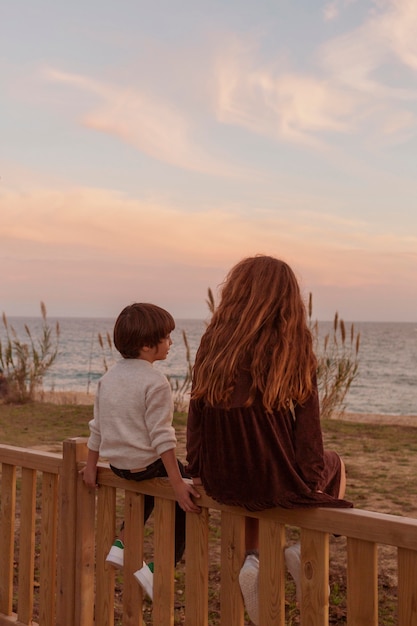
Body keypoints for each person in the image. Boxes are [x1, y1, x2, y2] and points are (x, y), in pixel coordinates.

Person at [186, 255, 352, 624]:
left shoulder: (212, 345)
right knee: (334, 461)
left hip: (222, 477)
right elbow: (308, 430)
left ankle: (254, 558)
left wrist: (196, 468)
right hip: (274, 477)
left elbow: (195, 412)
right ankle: (306, 546)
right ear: (288, 301)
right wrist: (308, 485)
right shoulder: (293, 347)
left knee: (253, 476)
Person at [82, 302, 200, 600]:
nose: (171, 342)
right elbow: (162, 436)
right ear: (148, 345)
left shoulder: (108, 379)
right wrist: (177, 482)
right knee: (183, 505)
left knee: (148, 489)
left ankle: (121, 544)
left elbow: (97, 426)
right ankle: (159, 570)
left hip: (120, 466)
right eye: (167, 337)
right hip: (148, 466)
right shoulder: (155, 381)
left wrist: (90, 466)